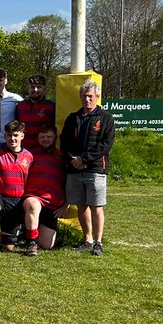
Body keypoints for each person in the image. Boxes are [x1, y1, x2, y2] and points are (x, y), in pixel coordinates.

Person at [60, 80, 115, 256]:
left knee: (96, 206)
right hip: (75, 169)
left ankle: (98, 243)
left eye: (90, 96)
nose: (87, 99)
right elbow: (64, 142)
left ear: (97, 97)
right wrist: (73, 160)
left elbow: (105, 145)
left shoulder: (106, 118)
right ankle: (87, 239)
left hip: (96, 169)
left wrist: (84, 159)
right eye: (84, 96)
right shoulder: (72, 118)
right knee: (81, 205)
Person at [0, 120, 34, 257]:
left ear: (22, 135)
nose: (12, 139)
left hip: (16, 201)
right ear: (5, 136)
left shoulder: (29, 156)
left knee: (8, 246)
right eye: (9, 135)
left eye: (15, 135)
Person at [21, 126, 67, 256]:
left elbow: (70, 183)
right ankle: (31, 242)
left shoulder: (62, 157)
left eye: (49, 137)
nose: (45, 140)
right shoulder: (30, 155)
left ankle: (28, 233)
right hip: (32, 197)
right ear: (38, 138)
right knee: (33, 204)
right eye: (42, 137)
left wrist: (66, 204)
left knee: (47, 245)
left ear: (55, 138)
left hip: (51, 204)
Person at [17, 74, 56, 144]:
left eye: (39, 87)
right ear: (28, 88)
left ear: (44, 89)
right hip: (23, 149)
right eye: (32, 87)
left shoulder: (51, 106)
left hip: (43, 150)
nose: (35, 90)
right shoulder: (20, 105)